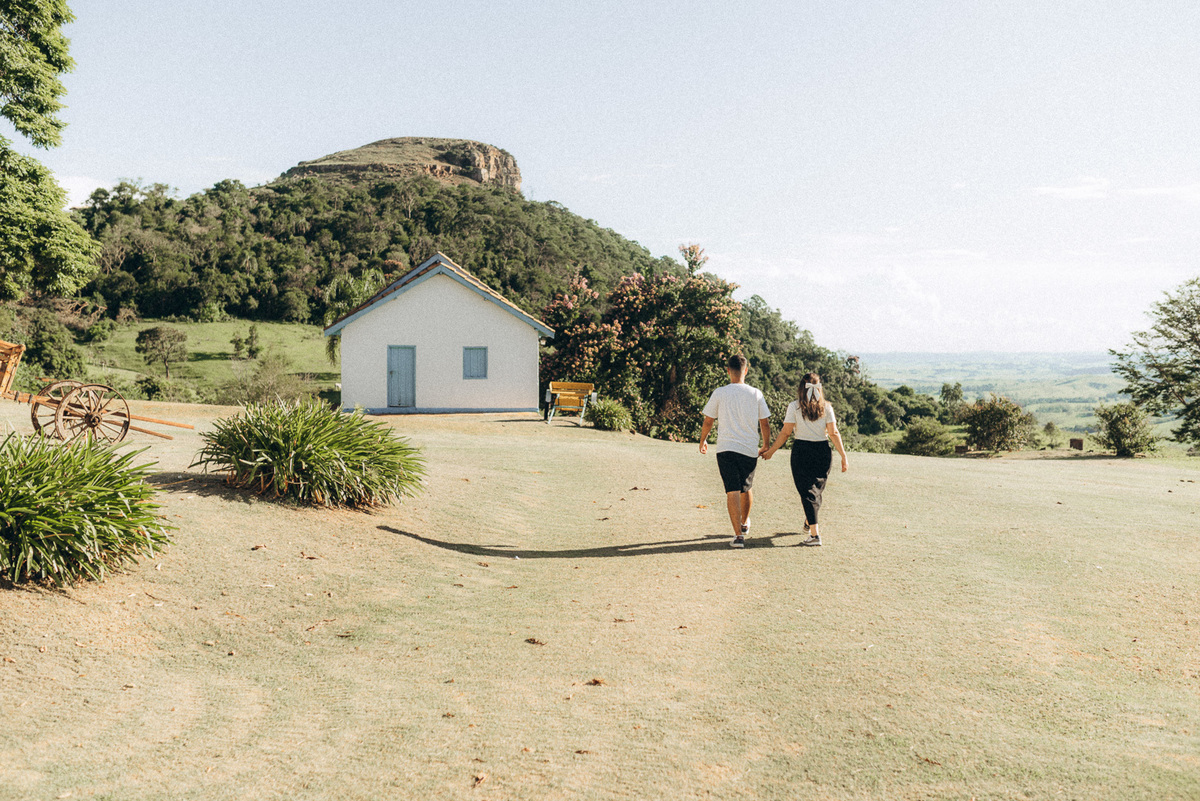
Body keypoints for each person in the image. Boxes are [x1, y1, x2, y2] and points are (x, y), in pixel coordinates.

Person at [760, 372, 848, 546]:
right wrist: (843, 456)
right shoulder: (827, 407)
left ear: (801, 388)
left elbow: (786, 432)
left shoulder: (794, 406)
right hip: (823, 451)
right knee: (815, 491)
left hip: (802, 451)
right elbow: (833, 433)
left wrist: (771, 451)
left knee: (809, 492)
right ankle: (809, 521)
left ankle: (815, 536)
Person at [699, 354, 771, 548]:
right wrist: (766, 445)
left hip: (726, 448)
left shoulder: (720, 392)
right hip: (749, 448)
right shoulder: (756, 393)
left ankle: (738, 536)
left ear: (728, 371)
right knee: (746, 487)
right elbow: (764, 422)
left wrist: (703, 440)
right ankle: (744, 523)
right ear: (746, 370)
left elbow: (708, 420)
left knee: (732, 490)